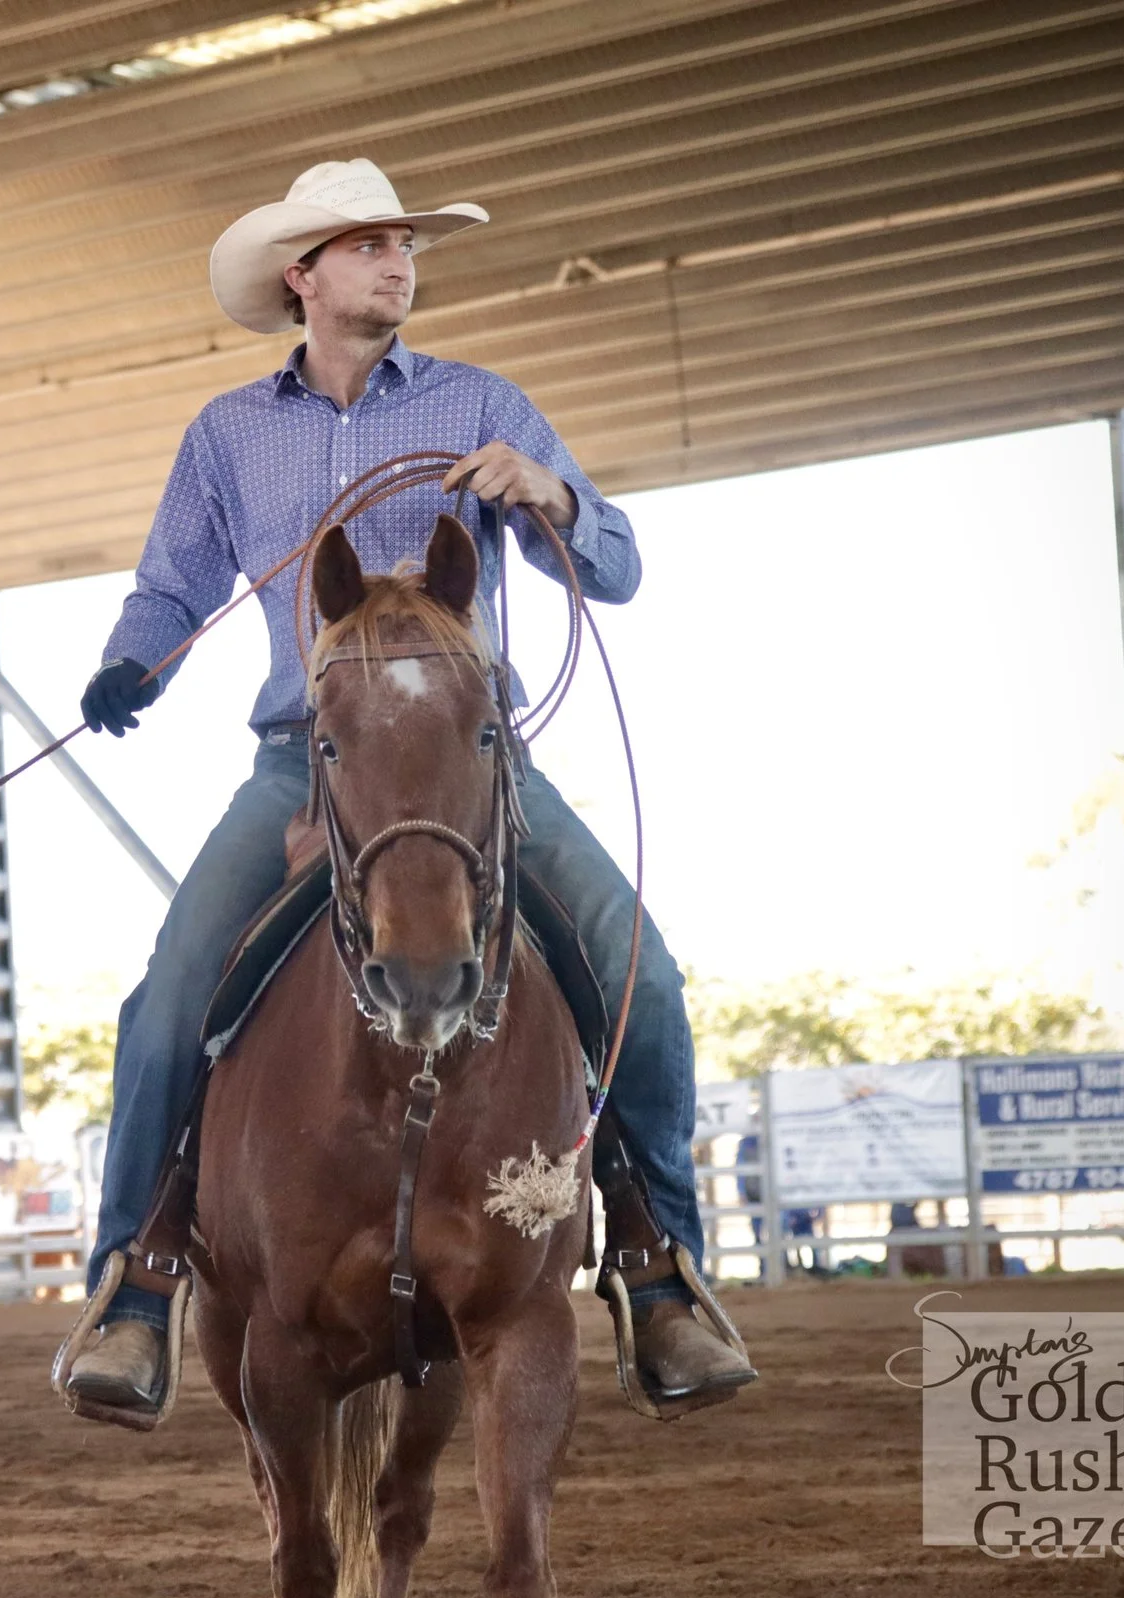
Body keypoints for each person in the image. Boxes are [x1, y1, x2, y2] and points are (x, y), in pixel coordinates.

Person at [62, 159, 756, 1420]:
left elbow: (618, 565)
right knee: (166, 996)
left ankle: (657, 1262)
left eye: (404, 245)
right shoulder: (228, 432)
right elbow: (175, 581)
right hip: (307, 763)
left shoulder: (482, 404)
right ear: (303, 276)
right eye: (369, 244)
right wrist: (130, 660)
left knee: (637, 968)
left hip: (470, 767)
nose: (398, 263)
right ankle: (137, 1280)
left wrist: (549, 494)